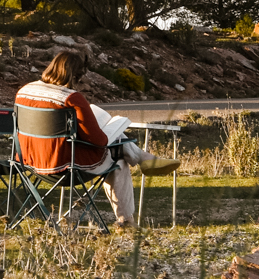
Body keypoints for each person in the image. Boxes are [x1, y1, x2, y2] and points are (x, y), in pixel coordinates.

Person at [15, 49, 179, 227]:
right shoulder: (71, 98)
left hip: (29, 161)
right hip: (64, 166)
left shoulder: (24, 92)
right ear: (75, 76)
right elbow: (99, 141)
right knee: (118, 156)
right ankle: (126, 218)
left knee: (113, 142)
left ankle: (142, 158)